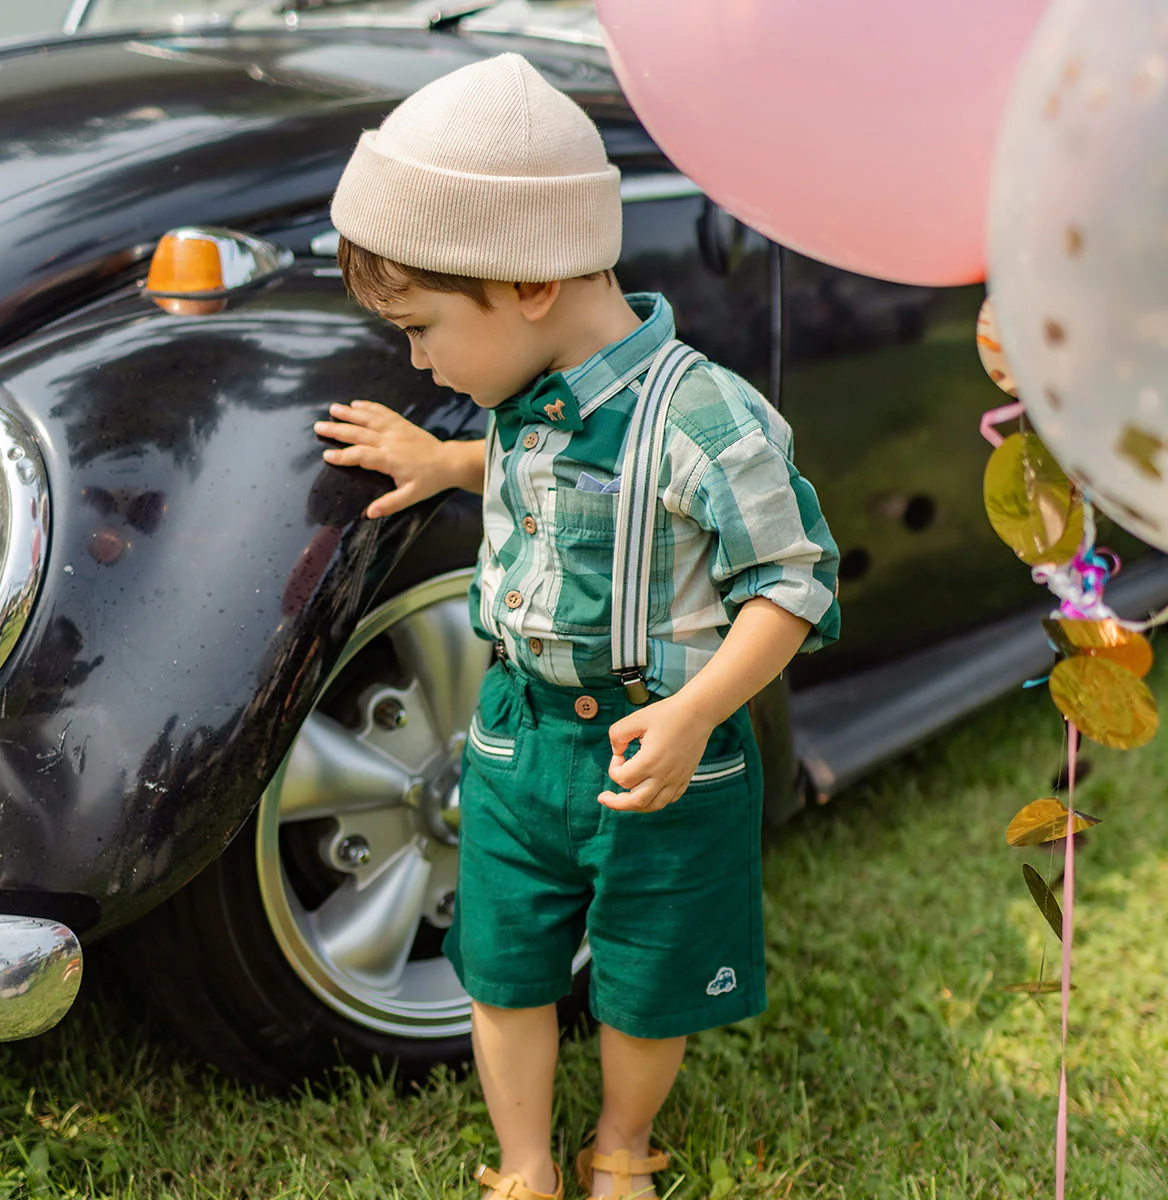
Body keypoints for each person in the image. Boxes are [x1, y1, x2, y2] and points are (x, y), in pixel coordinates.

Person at [314, 53, 840, 1200]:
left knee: (648, 976)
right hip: (515, 742)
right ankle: (525, 1166)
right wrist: (440, 458)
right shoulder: (525, 395)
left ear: (529, 286)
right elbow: (534, 473)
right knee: (504, 969)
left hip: (659, 753)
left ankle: (620, 1144)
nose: (419, 359)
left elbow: (792, 579)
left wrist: (700, 711)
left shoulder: (707, 418)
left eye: (424, 328)